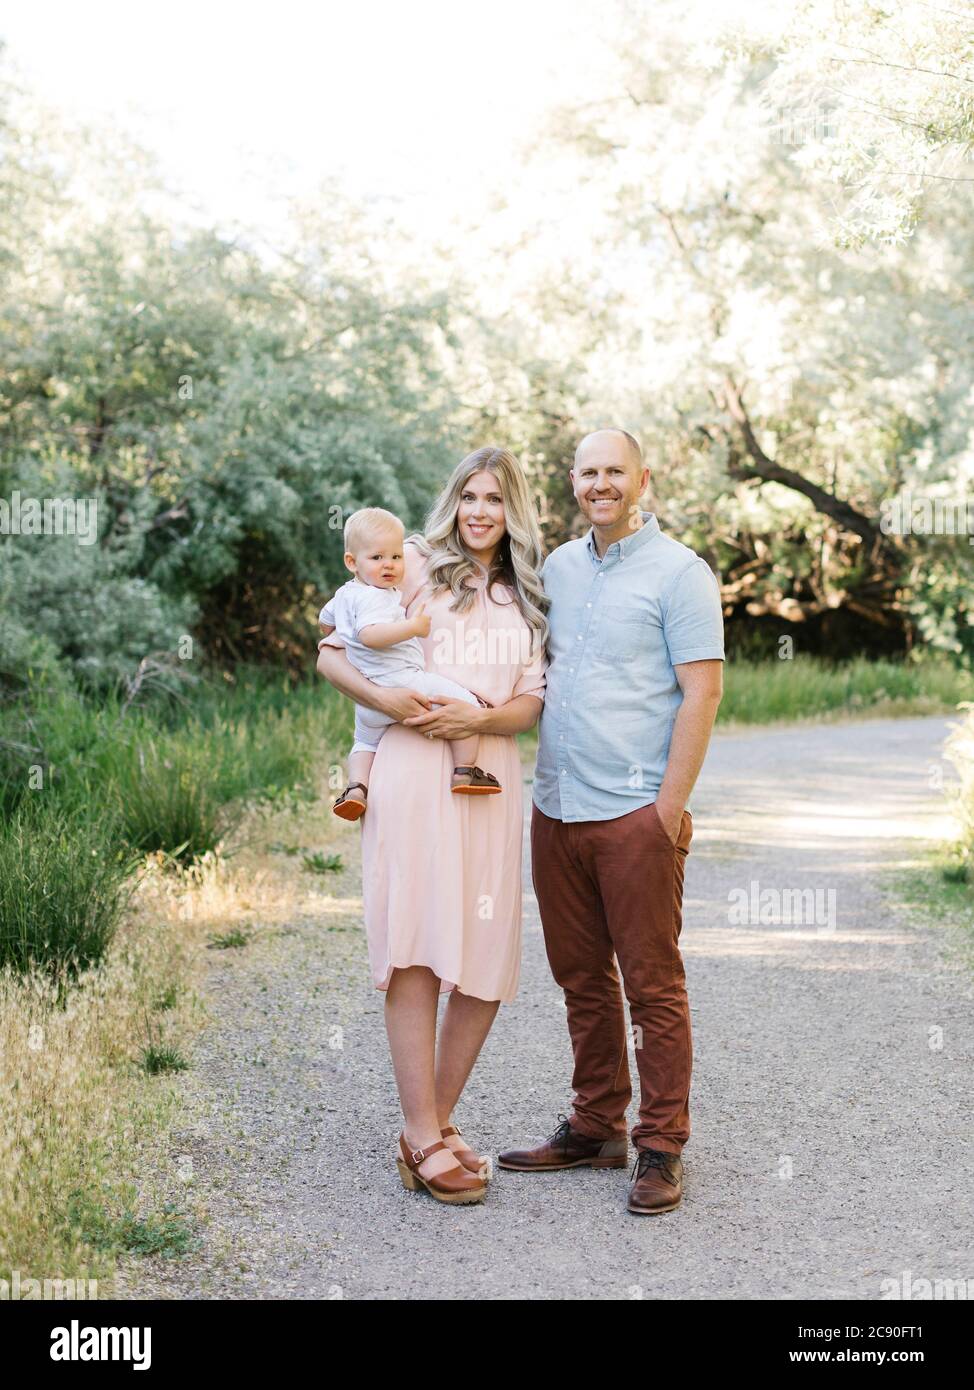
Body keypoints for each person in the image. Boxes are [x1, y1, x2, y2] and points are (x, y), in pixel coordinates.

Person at [497, 427, 724, 1216]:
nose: (602, 483)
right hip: (556, 808)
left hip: (635, 815)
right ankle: (597, 1125)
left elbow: (703, 693)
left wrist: (667, 810)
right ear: (573, 481)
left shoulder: (681, 574)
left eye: (615, 471)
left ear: (643, 480)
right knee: (580, 980)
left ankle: (661, 1145)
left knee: (653, 988)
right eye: (589, 472)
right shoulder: (556, 566)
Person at [315, 446, 548, 1204]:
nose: (482, 510)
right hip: (414, 771)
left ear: (515, 510)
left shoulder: (530, 595)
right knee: (414, 944)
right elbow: (331, 650)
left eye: (497, 498)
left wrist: (478, 715)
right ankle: (422, 1131)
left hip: (489, 777)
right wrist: (392, 707)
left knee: (483, 959)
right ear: (454, 500)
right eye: (471, 495)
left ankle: (434, 1125)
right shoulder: (411, 562)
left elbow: (531, 703)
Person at [318, 506, 502, 820]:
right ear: (352, 562)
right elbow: (371, 636)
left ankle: (356, 788)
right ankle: (465, 770)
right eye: (377, 558)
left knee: (364, 740)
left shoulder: (345, 594)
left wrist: (340, 633)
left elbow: (325, 623)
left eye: (395, 557)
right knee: (466, 705)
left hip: (369, 694)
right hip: (403, 681)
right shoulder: (374, 597)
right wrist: (412, 628)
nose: (388, 565)